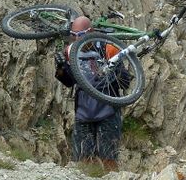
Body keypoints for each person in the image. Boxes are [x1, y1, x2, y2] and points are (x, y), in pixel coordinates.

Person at [54, 15, 130, 171]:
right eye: (73, 35)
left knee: (108, 156)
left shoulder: (108, 47)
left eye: (81, 35)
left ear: (92, 31)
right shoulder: (70, 51)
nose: (77, 40)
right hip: (83, 109)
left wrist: (113, 73)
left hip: (108, 108)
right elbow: (69, 82)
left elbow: (126, 81)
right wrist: (61, 68)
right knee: (82, 157)